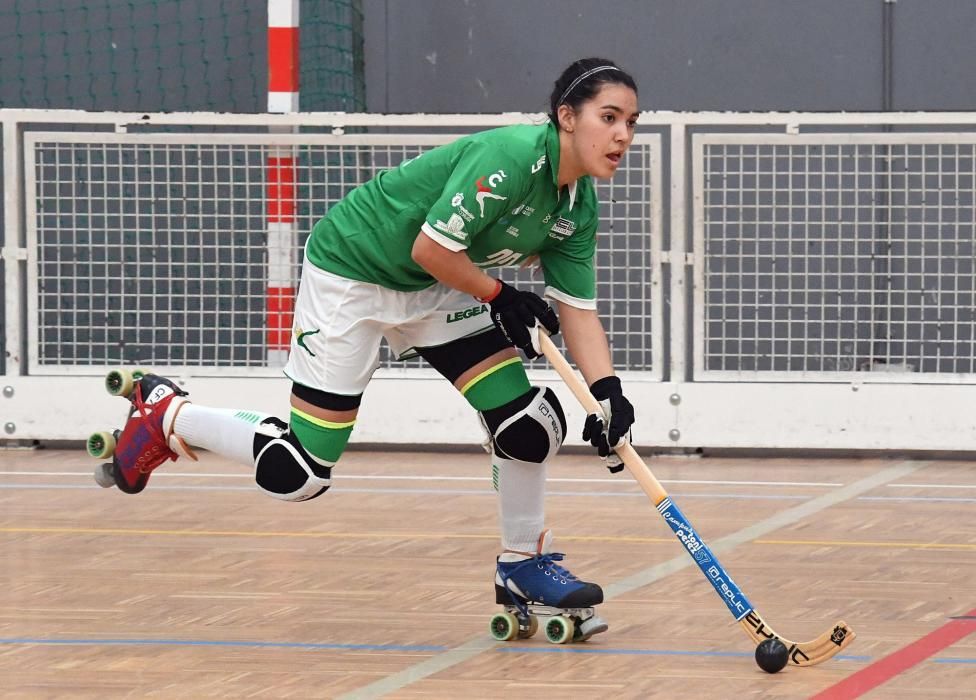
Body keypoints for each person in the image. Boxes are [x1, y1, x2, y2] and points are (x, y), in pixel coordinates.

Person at [102, 57, 639, 641]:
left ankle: (523, 564)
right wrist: (500, 294)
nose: (621, 135)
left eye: (631, 122)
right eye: (608, 117)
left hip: (436, 289)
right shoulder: (510, 159)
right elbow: (429, 249)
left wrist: (607, 394)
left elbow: (577, 310)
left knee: (529, 423)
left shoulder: (577, 206)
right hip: (353, 274)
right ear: (566, 117)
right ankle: (168, 413)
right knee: (299, 473)